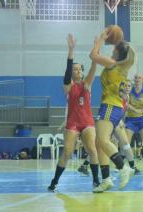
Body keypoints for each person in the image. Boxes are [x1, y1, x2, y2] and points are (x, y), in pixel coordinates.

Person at [48, 34, 99, 191]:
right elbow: (67, 72)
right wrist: (71, 50)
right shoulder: (68, 86)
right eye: (74, 69)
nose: (77, 71)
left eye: (79, 69)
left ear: (82, 72)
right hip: (73, 123)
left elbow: (93, 68)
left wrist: (96, 49)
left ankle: (96, 180)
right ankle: (55, 180)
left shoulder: (87, 84)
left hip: (87, 122)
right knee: (67, 152)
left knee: (92, 149)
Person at [90, 29, 135, 193]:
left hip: (110, 105)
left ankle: (124, 168)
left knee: (102, 140)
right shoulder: (121, 67)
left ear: (117, 52)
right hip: (114, 107)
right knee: (99, 143)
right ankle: (106, 179)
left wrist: (100, 40)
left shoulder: (112, 63)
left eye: (114, 48)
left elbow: (93, 56)